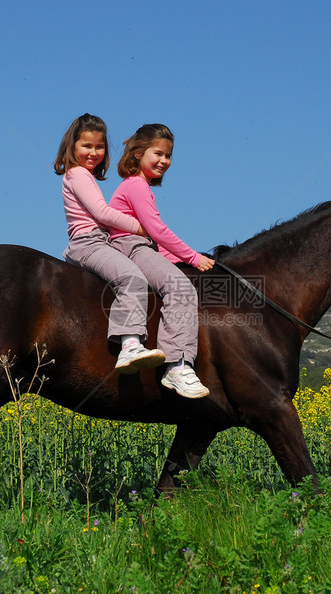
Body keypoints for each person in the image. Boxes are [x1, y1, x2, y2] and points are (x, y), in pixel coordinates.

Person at [108, 123, 214, 399]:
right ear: (137, 154)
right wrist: (192, 256)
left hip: (140, 247)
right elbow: (156, 230)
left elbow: (153, 241)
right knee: (179, 288)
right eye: (158, 153)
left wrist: (180, 259)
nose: (165, 161)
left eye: (168, 155)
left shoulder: (138, 186)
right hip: (131, 247)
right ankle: (177, 366)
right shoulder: (136, 186)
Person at [55, 113, 166, 374]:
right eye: (87, 146)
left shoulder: (84, 175)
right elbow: (102, 214)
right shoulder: (78, 174)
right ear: (72, 147)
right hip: (88, 242)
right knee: (131, 278)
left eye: (99, 147)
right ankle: (129, 344)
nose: (93, 152)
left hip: (99, 241)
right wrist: (141, 228)